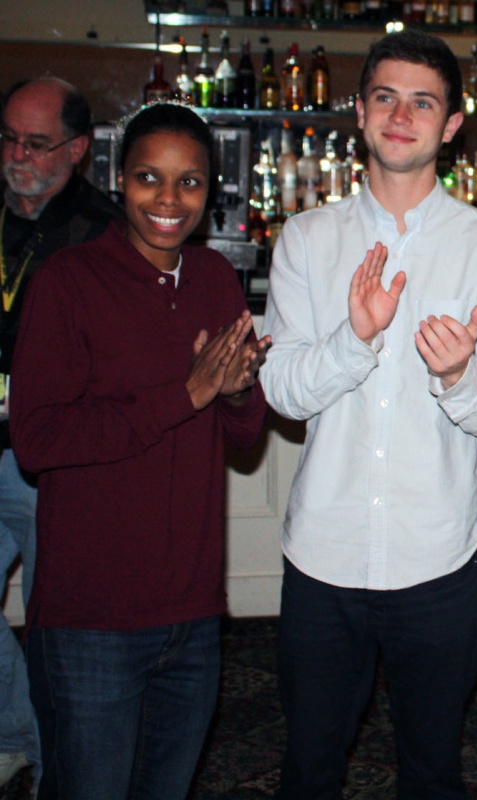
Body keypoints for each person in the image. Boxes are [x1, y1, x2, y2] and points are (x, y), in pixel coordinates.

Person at [258, 29, 477, 798]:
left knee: (433, 770)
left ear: (451, 125)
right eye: (385, 97)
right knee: (309, 768)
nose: (401, 115)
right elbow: (281, 389)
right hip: (323, 554)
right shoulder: (308, 240)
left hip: (436, 558)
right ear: (360, 112)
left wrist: (457, 376)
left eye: (423, 101)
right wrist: (358, 339)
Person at [9, 101, 268, 798]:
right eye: (150, 177)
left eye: (189, 182)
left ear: (210, 192)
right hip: (93, 619)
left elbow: (244, 440)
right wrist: (186, 393)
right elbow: (36, 439)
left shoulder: (216, 279)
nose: (169, 199)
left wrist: (239, 391)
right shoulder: (69, 282)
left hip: (192, 615)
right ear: (118, 178)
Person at [0, 75, 122, 787]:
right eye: (9, 137)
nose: (19, 154)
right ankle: (17, 736)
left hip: (55, 464)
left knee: (60, 636)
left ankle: (56, 767)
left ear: (76, 149)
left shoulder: (106, 234)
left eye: (38, 143)